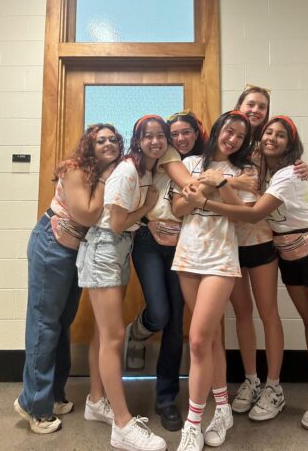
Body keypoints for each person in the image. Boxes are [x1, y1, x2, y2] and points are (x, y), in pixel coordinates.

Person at [183, 115, 308, 436]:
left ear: (291, 144)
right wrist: (223, 182)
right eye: (268, 133)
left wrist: (210, 194)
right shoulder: (253, 161)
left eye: (280, 135)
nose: (271, 138)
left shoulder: (289, 173)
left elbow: (251, 214)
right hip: (283, 251)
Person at [14, 123, 122, 434]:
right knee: (44, 323)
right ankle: (33, 404)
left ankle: (53, 394)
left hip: (73, 250)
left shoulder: (107, 174)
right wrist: (103, 178)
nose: (107, 143)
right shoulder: (77, 169)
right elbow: (86, 214)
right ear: (89, 145)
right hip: (52, 244)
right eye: (100, 140)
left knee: (61, 323)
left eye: (113, 139)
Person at [77, 115, 168, 451]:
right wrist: (145, 207)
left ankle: (96, 401)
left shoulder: (147, 169)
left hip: (116, 247)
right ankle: (122, 425)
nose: (156, 141)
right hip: (105, 244)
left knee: (104, 332)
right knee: (114, 336)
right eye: (148, 136)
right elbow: (115, 223)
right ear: (137, 140)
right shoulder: (129, 170)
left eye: (162, 136)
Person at [172, 111, 253, 451]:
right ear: (217, 130)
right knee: (210, 339)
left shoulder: (244, 172)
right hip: (188, 255)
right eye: (227, 131)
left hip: (221, 258)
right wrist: (198, 189)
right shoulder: (190, 162)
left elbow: (243, 217)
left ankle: (193, 423)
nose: (231, 138)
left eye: (239, 135)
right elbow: (177, 209)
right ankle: (222, 408)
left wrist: (217, 184)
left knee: (198, 338)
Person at [228, 85, 308, 420]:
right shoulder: (227, 139)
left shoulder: (270, 145)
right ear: (239, 106)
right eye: (251, 104)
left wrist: (304, 168)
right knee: (242, 314)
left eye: (262, 106)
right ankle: (250, 380)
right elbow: (208, 175)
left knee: (268, 312)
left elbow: (294, 174)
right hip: (229, 242)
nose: (256, 110)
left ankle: (273, 385)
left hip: (262, 240)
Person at [125, 110, 207, 433]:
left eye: (186, 133)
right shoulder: (163, 156)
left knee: (175, 324)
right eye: (175, 134)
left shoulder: (204, 160)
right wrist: (148, 221)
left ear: (196, 134)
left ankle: (166, 399)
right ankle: (139, 330)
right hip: (148, 239)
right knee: (159, 313)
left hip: (182, 242)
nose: (178, 139)